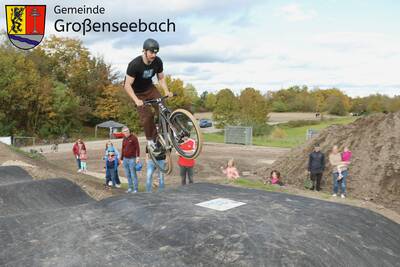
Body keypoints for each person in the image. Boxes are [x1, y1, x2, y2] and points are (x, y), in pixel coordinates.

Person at [124, 38, 173, 154]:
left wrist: (166, 91)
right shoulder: (135, 64)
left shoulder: (158, 61)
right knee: (147, 116)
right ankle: (151, 141)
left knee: (163, 107)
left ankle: (167, 134)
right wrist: (136, 100)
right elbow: (127, 85)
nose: (153, 55)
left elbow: (161, 78)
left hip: (150, 89)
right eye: (151, 52)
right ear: (144, 51)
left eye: (155, 52)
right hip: (137, 93)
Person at [121, 127, 140, 193]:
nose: (126, 132)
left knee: (133, 174)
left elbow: (138, 147)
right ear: (123, 133)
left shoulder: (134, 137)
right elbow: (122, 149)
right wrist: (121, 159)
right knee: (127, 174)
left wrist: (138, 157)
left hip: (132, 159)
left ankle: (135, 189)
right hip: (125, 159)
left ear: (129, 131)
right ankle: (130, 188)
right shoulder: (124, 139)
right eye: (124, 131)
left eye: (127, 131)